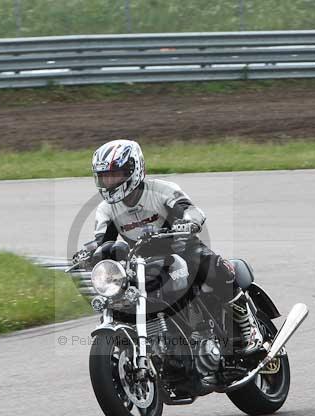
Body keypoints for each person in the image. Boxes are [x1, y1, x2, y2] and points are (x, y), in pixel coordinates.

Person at [81, 139, 263, 354]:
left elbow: (192, 210)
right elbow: (103, 241)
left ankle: (247, 326)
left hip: (181, 249)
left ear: (134, 169)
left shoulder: (162, 191)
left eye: (115, 174)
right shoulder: (106, 209)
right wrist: (89, 251)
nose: (109, 182)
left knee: (211, 266)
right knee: (120, 293)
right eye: (104, 176)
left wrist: (188, 221)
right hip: (142, 262)